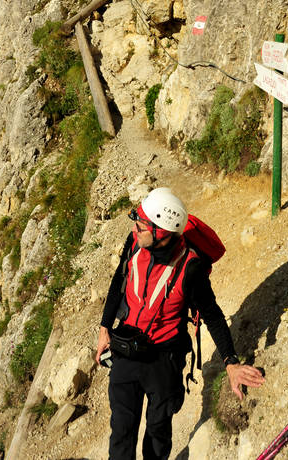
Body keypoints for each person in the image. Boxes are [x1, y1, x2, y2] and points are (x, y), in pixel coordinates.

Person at [96, 187, 267, 459]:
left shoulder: (191, 267)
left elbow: (212, 315)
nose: (135, 227)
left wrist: (231, 363)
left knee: (157, 433)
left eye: (141, 222)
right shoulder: (134, 243)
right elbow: (119, 280)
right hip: (125, 350)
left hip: (163, 360)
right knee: (121, 433)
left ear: (162, 231)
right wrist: (105, 328)